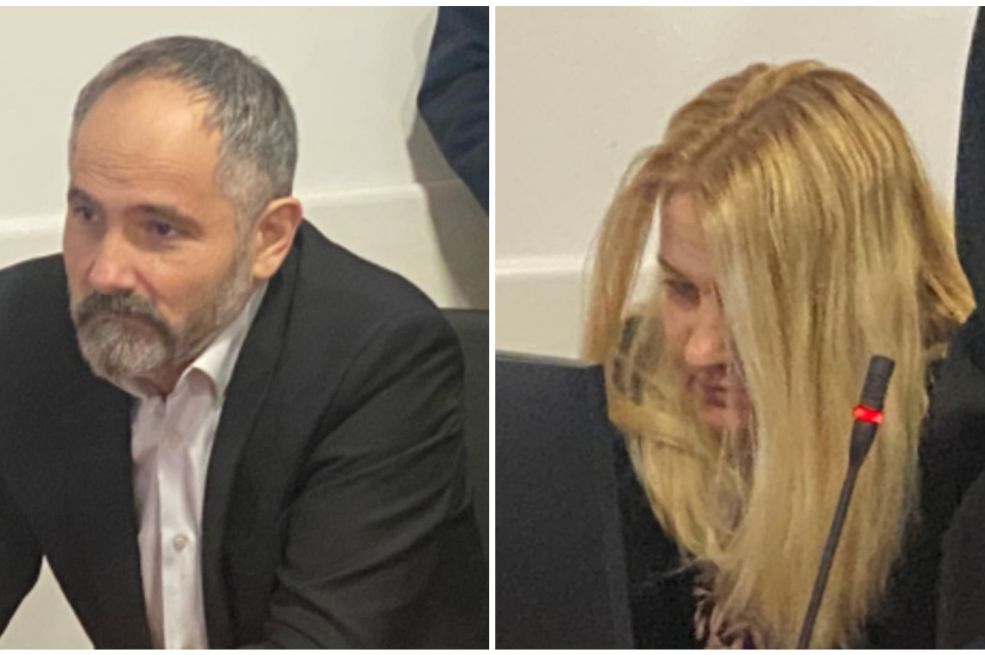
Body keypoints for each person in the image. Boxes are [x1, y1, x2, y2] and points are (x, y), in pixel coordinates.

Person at [0, 36, 486, 648]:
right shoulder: (22, 332)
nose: (104, 272)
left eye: (159, 228)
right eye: (87, 214)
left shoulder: (380, 360)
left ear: (269, 238)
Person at [583, 60, 973, 648]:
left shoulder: (951, 461)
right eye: (682, 290)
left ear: (850, 304)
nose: (701, 349)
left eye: (749, 310)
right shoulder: (636, 394)